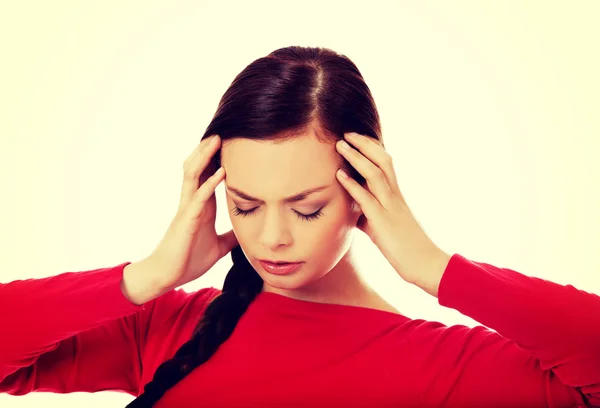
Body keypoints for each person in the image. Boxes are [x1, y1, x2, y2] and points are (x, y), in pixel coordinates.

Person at [0, 46, 598, 408]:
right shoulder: (165, 327)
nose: (271, 238)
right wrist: (149, 276)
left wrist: (435, 269)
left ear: (363, 193)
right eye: (246, 204)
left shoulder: (437, 366)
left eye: (306, 208)